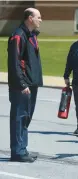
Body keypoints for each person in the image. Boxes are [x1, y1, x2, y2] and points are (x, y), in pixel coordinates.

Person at [7, 8, 43, 163]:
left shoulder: (31, 35)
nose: (41, 20)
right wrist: (22, 84)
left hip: (31, 83)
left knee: (26, 117)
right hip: (22, 85)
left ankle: (22, 148)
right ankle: (17, 151)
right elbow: (14, 62)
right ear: (30, 18)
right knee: (19, 118)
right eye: (39, 17)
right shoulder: (18, 35)